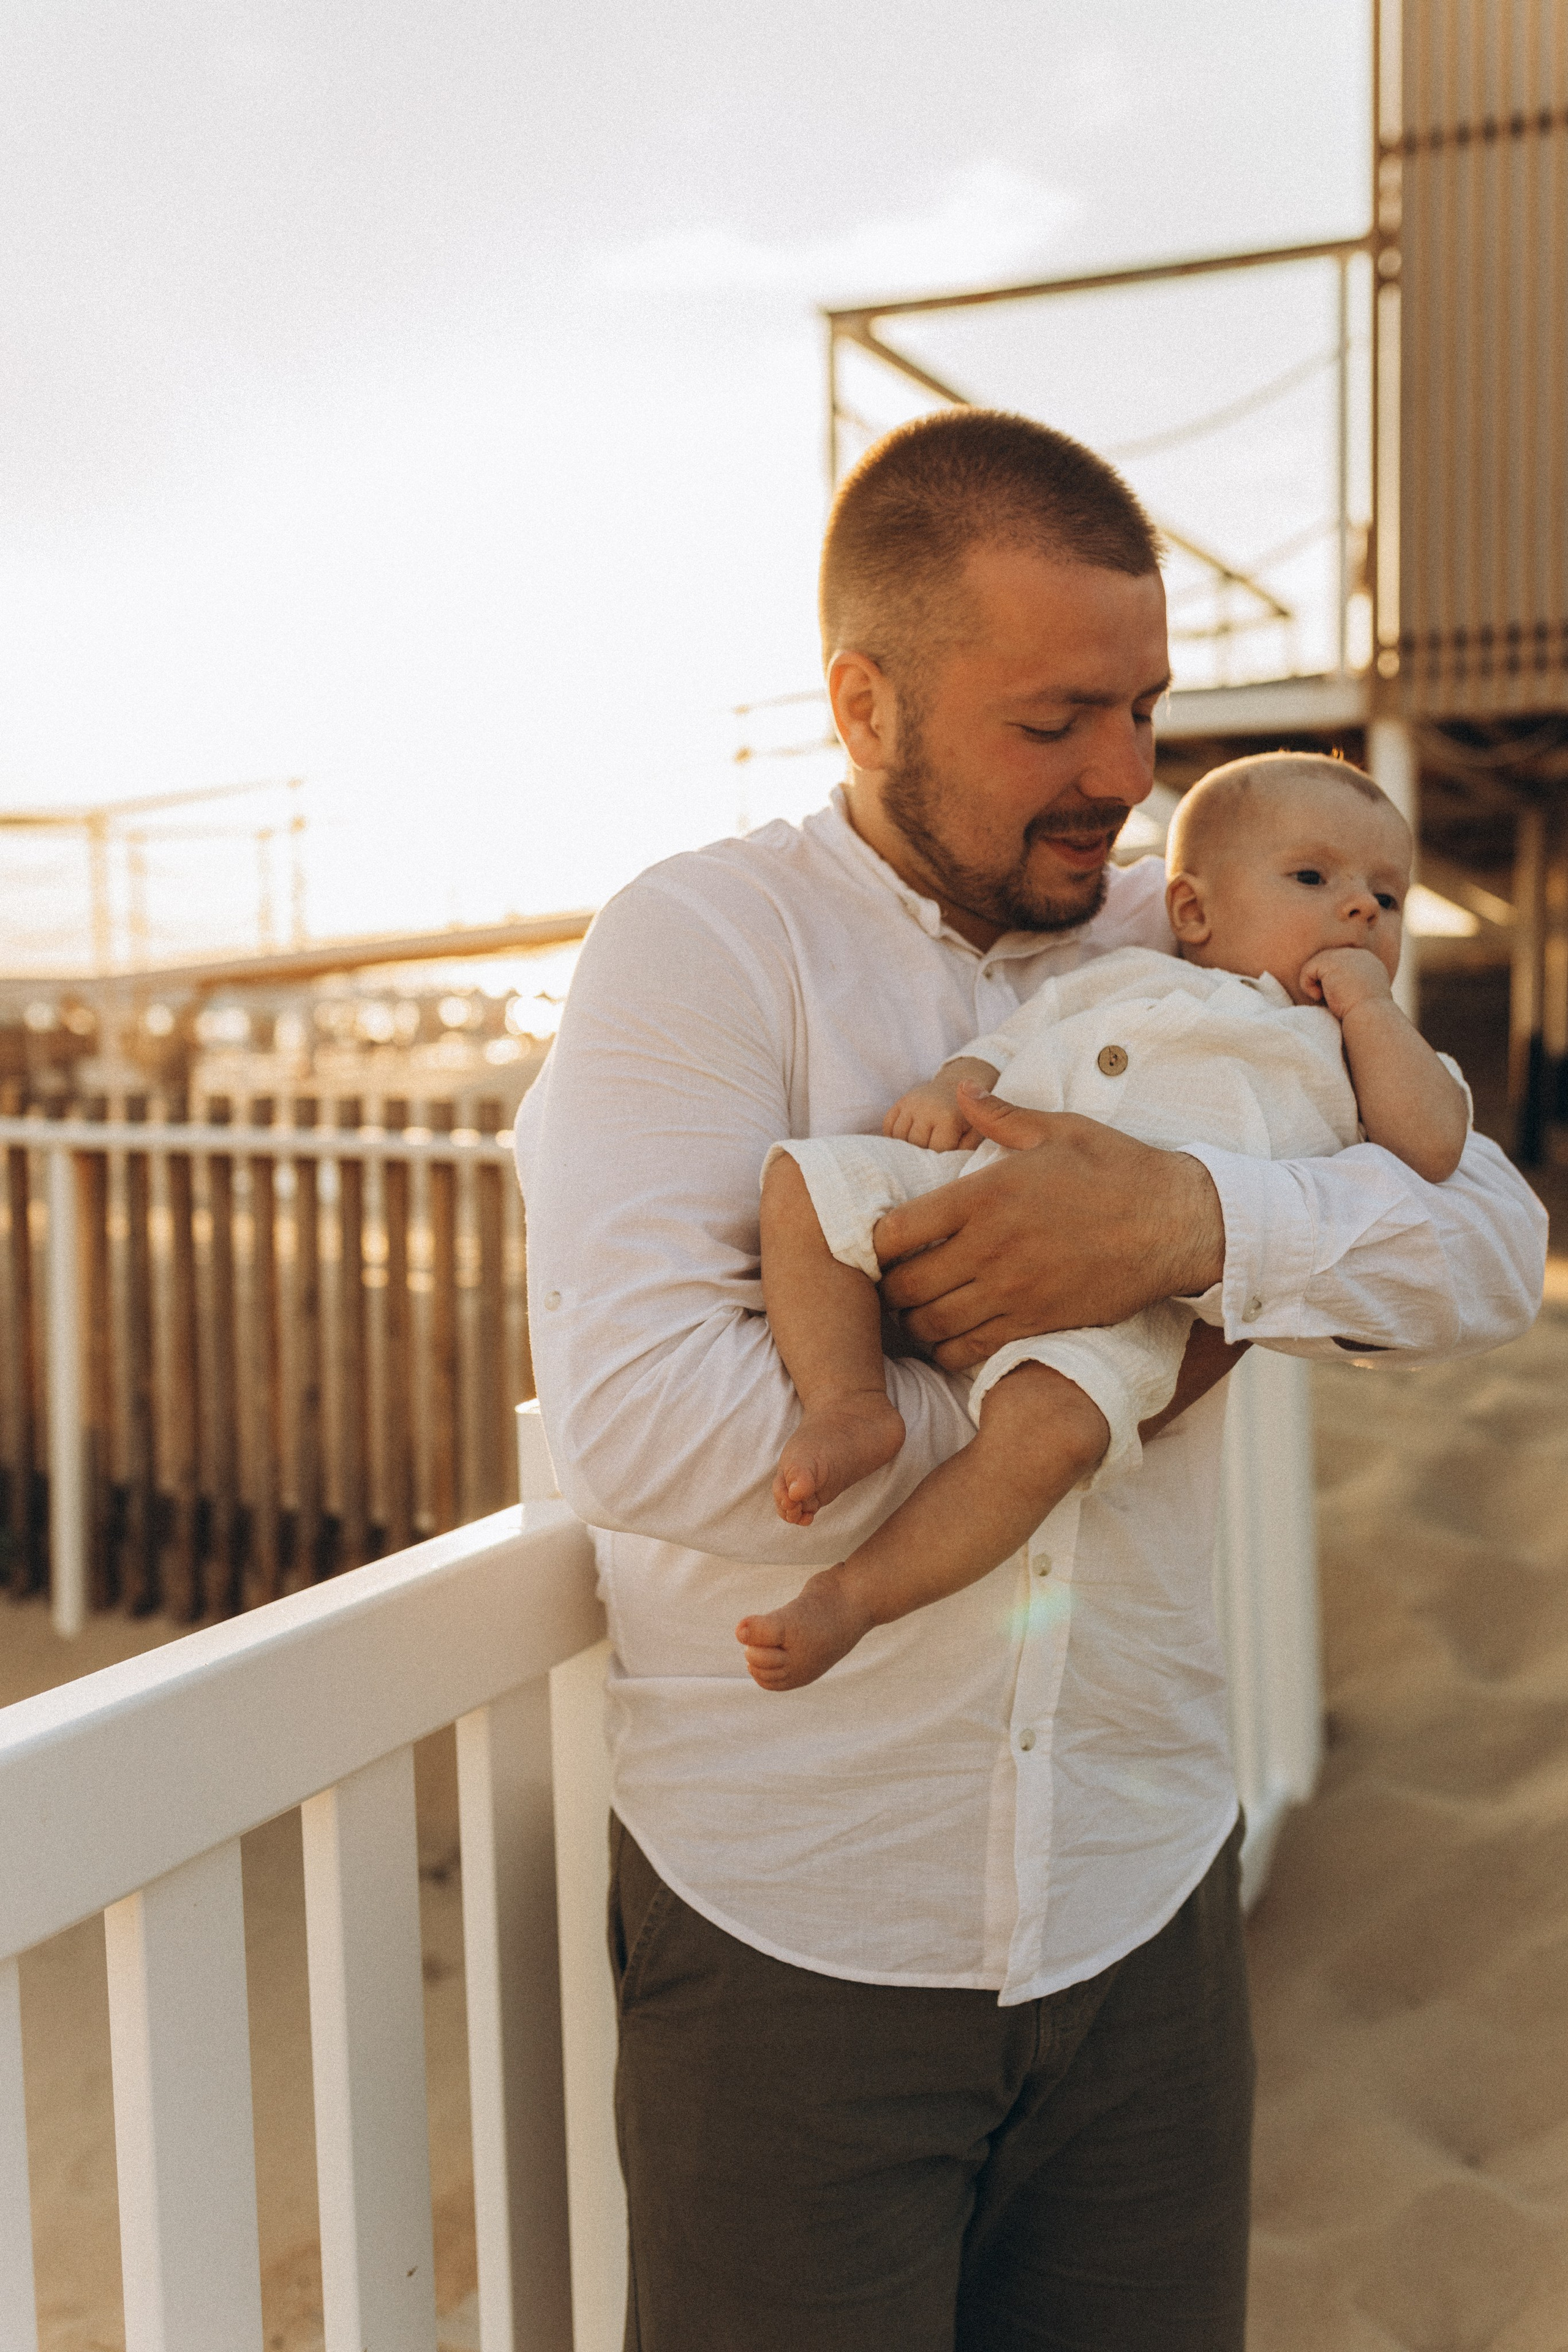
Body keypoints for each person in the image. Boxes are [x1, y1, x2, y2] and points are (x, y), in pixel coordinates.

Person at [516, 409, 1545, 2352]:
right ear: (864, 700)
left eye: (1146, 710)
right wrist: (1107, 1396)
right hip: (802, 1932)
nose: (1124, 779)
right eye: (1055, 719)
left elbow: (1488, 1247)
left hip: (1149, 1901)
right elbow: (646, 1419)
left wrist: (1191, 1233)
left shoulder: (1219, 932)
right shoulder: (704, 946)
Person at [739, 752, 1471, 1691]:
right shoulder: (1122, 976)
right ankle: (849, 1403)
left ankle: (855, 1597)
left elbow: (1435, 1147)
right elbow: (1012, 1044)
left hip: (1131, 1309)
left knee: (1049, 1439)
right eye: (1313, 878)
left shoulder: (1359, 1053)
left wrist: (1370, 1007)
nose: (1363, 909)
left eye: (1389, 896)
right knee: (805, 1181)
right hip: (977, 1181)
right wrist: (950, 1088)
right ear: (1195, 911)